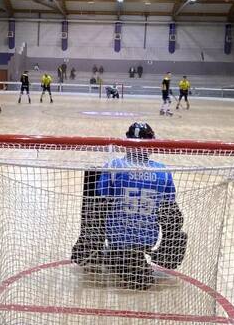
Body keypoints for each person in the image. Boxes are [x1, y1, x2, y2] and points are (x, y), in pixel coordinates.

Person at [71, 122, 187, 290]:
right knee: (174, 215)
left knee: (96, 208)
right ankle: (145, 257)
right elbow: (169, 204)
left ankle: (98, 250)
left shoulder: (114, 166)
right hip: (147, 239)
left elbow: (101, 197)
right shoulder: (163, 171)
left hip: (117, 237)